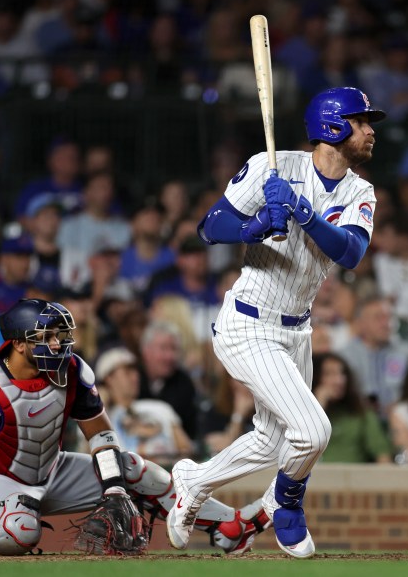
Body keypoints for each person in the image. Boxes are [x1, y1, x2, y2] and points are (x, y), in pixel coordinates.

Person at [165, 87, 387, 559]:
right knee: (313, 431)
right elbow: (209, 226)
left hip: (296, 330)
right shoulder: (272, 164)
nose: (370, 130)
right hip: (248, 321)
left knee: (273, 443)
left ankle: (194, 480)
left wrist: (301, 212)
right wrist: (255, 224)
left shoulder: (360, 191)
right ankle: (286, 508)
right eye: (361, 120)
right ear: (333, 127)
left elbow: (349, 253)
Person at [0, 298, 268, 556]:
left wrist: (114, 487)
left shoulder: (73, 370)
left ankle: (229, 527)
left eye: (61, 335)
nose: (59, 344)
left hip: (49, 471)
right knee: (20, 530)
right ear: (20, 346)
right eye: (49, 337)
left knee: (132, 469)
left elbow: (102, 436)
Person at [312, 352, 393, 463]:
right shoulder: (298, 412)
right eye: (328, 374)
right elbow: (302, 444)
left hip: (353, 477)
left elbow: (382, 453)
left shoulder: (361, 412)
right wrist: (318, 405)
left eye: (342, 373)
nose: (339, 380)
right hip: (312, 477)